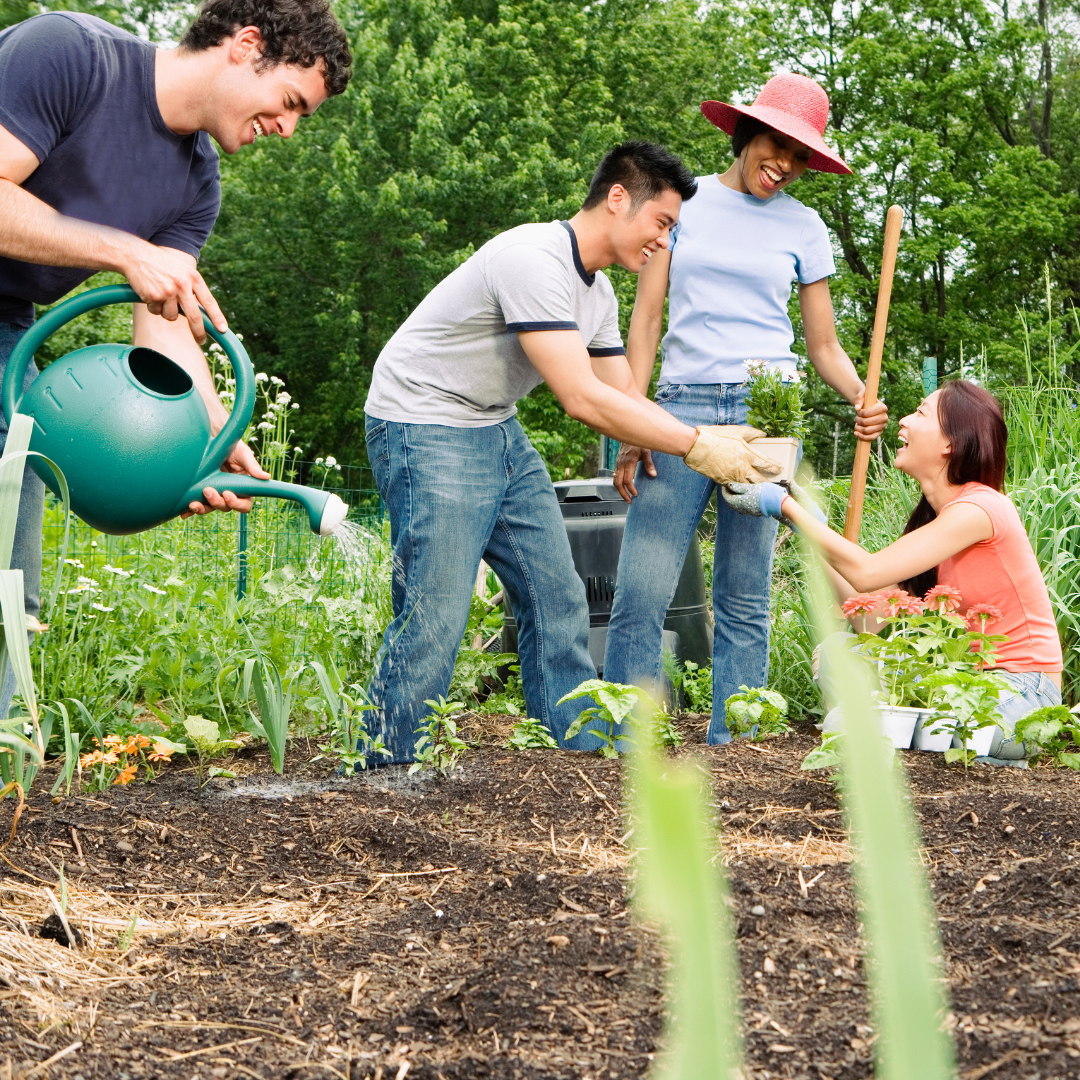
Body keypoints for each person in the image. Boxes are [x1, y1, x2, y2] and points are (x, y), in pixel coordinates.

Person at [363, 141, 785, 764]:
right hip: (424, 423)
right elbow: (581, 398)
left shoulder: (601, 297)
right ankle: (385, 767)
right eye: (662, 223)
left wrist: (721, 441)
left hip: (494, 427)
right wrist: (699, 446)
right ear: (619, 198)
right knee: (437, 612)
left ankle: (579, 755)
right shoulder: (533, 259)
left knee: (556, 595)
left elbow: (625, 398)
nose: (664, 244)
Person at [0, 0, 352, 718]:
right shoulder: (70, 54)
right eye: (289, 102)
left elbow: (163, 330)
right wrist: (126, 250)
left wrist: (211, 441)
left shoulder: (196, 184)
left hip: (7, 329)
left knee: (11, 578)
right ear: (246, 44)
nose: (287, 128)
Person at [602, 71, 888, 745]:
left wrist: (862, 397)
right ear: (745, 133)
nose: (783, 165)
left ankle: (739, 746)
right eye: (775, 146)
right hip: (683, 411)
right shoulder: (685, 206)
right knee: (641, 589)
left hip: (768, 414)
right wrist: (631, 421)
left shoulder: (806, 227)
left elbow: (823, 345)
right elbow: (644, 323)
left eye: (798, 157)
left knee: (744, 596)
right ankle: (624, 739)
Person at [727, 380, 1064, 765]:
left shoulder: (982, 509)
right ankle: (973, 753)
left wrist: (789, 508)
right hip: (964, 689)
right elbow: (870, 616)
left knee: (868, 721)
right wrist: (810, 528)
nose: (902, 421)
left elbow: (867, 571)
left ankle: (980, 749)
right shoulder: (937, 525)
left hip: (1022, 696)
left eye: (920, 412)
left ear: (950, 443)